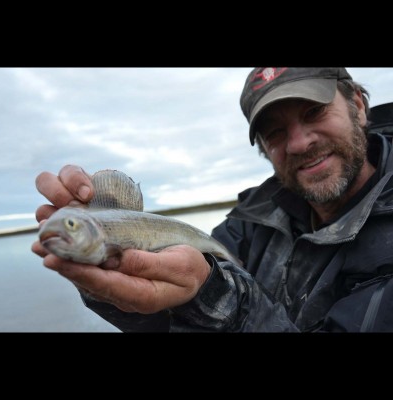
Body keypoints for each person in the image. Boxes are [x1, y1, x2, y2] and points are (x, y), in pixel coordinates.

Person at [31, 67, 393, 332]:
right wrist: (110, 284)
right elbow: (167, 322)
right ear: (264, 148)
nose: (298, 143)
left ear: (358, 106)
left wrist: (220, 299)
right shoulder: (248, 224)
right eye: (275, 132)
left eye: (314, 112)